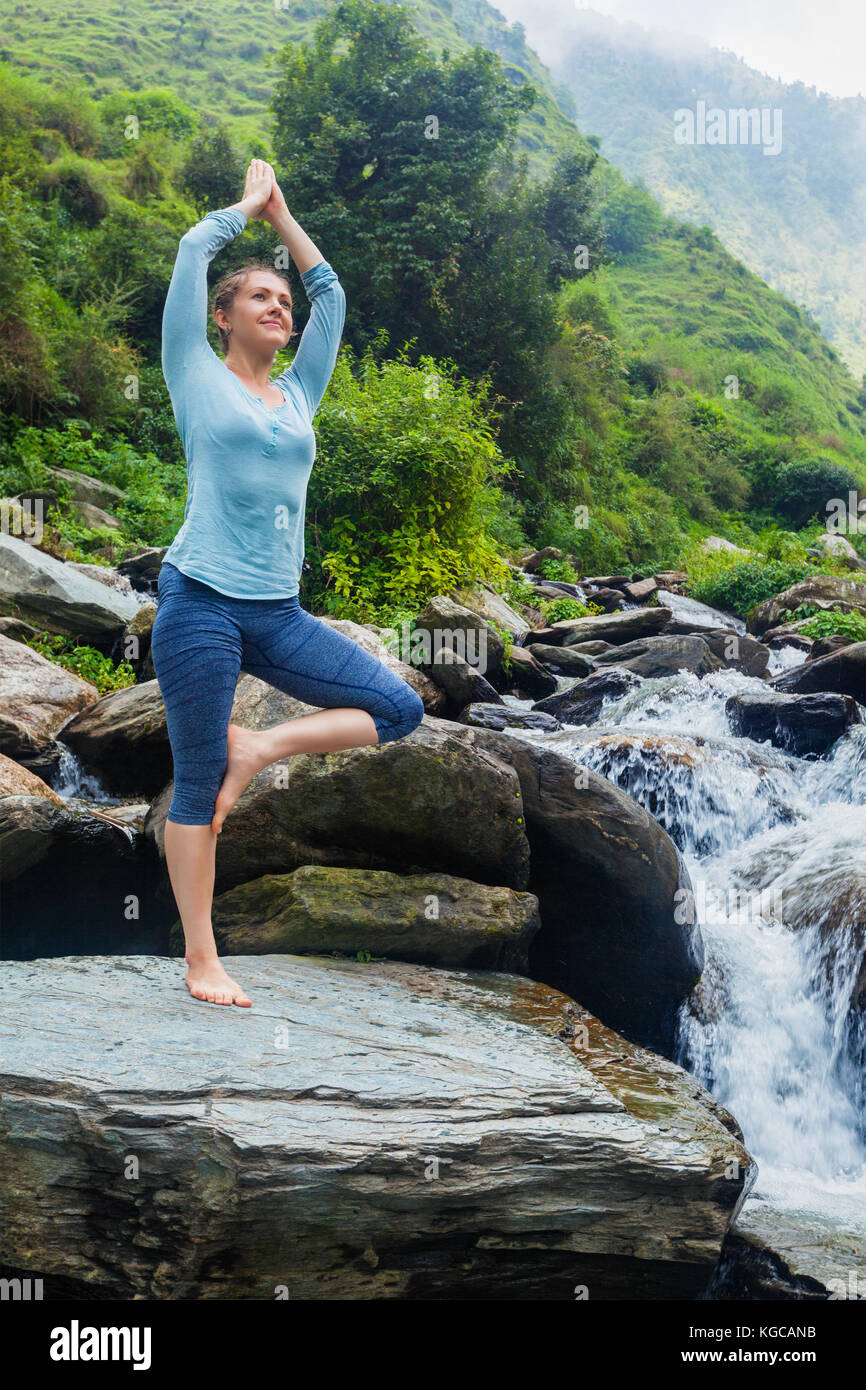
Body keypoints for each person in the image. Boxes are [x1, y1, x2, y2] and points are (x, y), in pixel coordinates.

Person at [152, 159, 425, 1008]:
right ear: (223, 317)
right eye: (261, 299)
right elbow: (197, 245)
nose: (281, 308)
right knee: (198, 788)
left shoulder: (300, 391)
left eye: (284, 301)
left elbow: (333, 296)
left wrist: (286, 217)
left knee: (399, 710)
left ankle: (258, 747)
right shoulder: (193, 372)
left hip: (277, 612)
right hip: (198, 600)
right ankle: (203, 959)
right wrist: (247, 206)